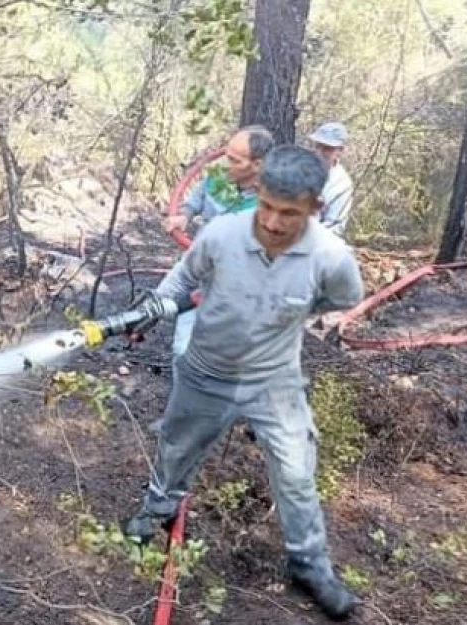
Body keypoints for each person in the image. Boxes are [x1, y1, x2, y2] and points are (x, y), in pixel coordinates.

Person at [125, 144, 365, 621]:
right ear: (258, 193)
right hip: (206, 370)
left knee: (296, 475)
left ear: (315, 208)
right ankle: (157, 509)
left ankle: (309, 566)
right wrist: (150, 312)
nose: (273, 223)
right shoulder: (222, 234)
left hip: (274, 381)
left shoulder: (332, 258)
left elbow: (341, 298)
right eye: (267, 206)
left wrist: (288, 313)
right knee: (176, 447)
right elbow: (181, 278)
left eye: (289, 213)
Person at [162, 125, 275, 360]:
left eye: (234, 160)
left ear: (258, 165)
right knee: (154, 306)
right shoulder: (219, 177)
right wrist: (184, 215)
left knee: (189, 351)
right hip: (195, 265)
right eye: (226, 155)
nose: (225, 163)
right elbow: (196, 199)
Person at [308, 122, 355, 238]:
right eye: (318, 146)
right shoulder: (300, 167)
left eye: (327, 149)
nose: (319, 152)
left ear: (340, 151)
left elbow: (335, 227)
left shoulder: (342, 185)